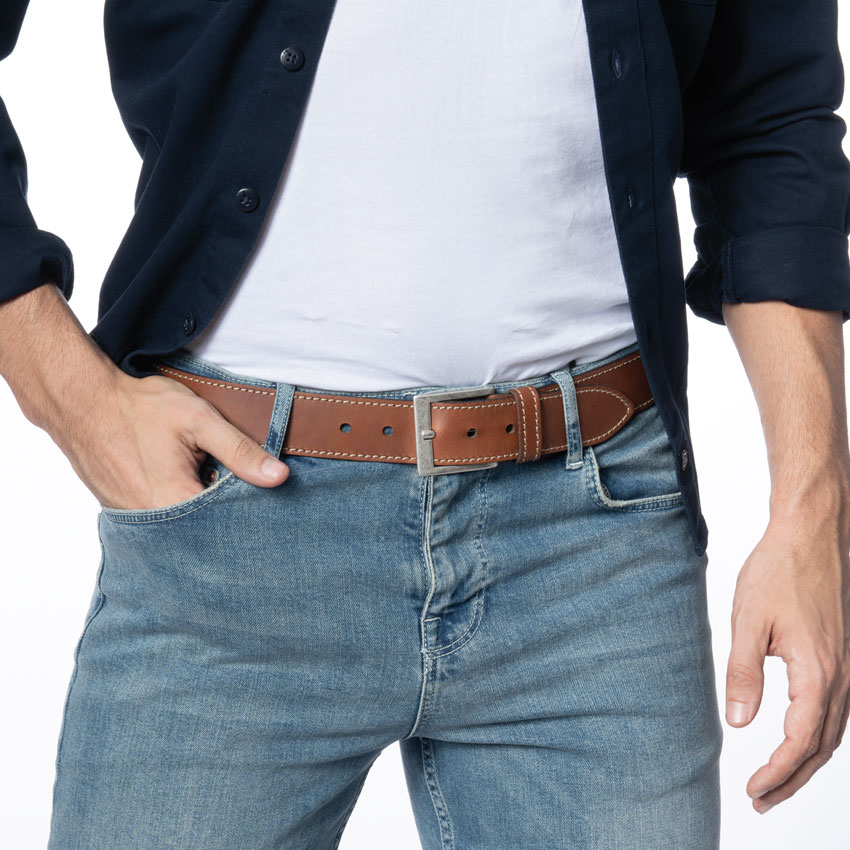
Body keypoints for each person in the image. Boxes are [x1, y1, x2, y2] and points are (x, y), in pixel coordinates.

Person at [1, 1, 849, 847]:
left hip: (595, 552)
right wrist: (71, 398)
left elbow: (770, 116)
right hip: (231, 527)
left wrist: (812, 512)